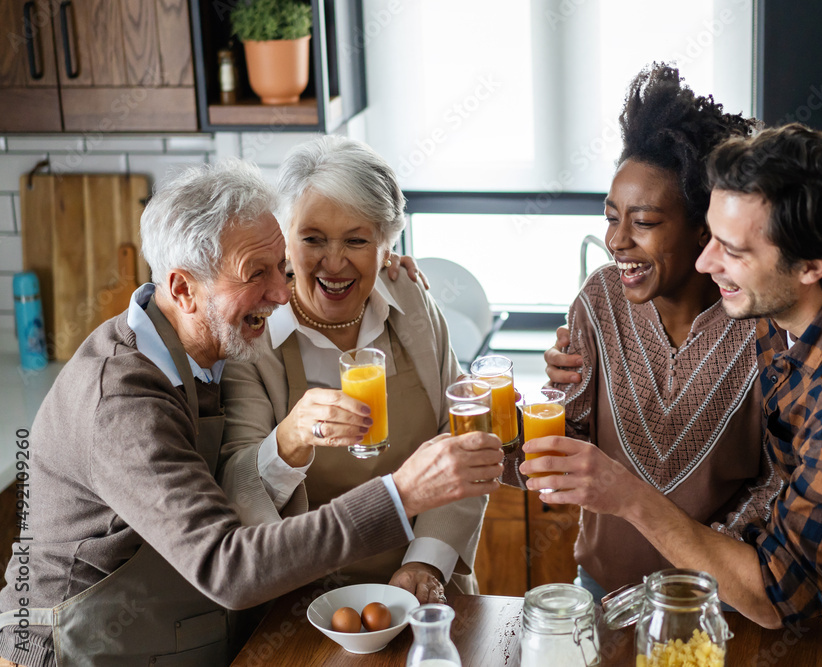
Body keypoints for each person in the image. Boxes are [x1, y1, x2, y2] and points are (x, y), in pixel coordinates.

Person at [529, 123, 822, 665]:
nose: (707, 265)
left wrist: (627, 495)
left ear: (810, 267)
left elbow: (778, 594)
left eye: (731, 251)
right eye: (710, 237)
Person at [0, 159, 503, 667]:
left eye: (280, 266)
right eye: (256, 273)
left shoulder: (211, 349)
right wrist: (400, 494)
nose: (283, 294)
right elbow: (230, 567)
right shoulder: (122, 402)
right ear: (181, 289)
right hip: (79, 650)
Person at [527, 63, 781, 599]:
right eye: (611, 216)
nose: (618, 240)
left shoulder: (766, 323)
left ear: (702, 227)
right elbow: (564, 443)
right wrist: (522, 425)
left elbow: (777, 487)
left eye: (643, 222)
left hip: (720, 605)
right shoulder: (598, 302)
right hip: (602, 592)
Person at [220, 135, 485, 603]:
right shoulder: (253, 337)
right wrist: (288, 440)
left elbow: (461, 437)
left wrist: (425, 564)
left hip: (430, 588)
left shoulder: (412, 302)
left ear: (387, 245)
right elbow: (237, 488)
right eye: (313, 239)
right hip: (309, 601)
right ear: (285, 236)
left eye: (357, 240)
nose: (335, 262)